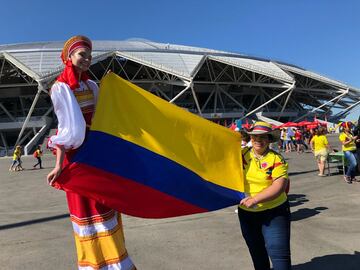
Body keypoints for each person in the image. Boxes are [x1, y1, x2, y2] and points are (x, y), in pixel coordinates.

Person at [46, 35, 136, 270]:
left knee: (106, 205)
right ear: (68, 57)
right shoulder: (60, 88)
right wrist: (59, 164)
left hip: (97, 154)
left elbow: (101, 119)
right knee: (86, 209)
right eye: (81, 55)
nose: (86, 59)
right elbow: (66, 130)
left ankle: (116, 261)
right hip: (78, 157)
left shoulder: (92, 85)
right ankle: (95, 264)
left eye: (89, 55)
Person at [237, 121, 291, 270]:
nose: (258, 140)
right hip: (247, 214)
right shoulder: (240, 155)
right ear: (250, 138)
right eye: (255, 137)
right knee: (257, 254)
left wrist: (255, 199)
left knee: (280, 257)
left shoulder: (276, 159)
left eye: (263, 137)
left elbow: (279, 187)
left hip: (274, 213)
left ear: (268, 139)